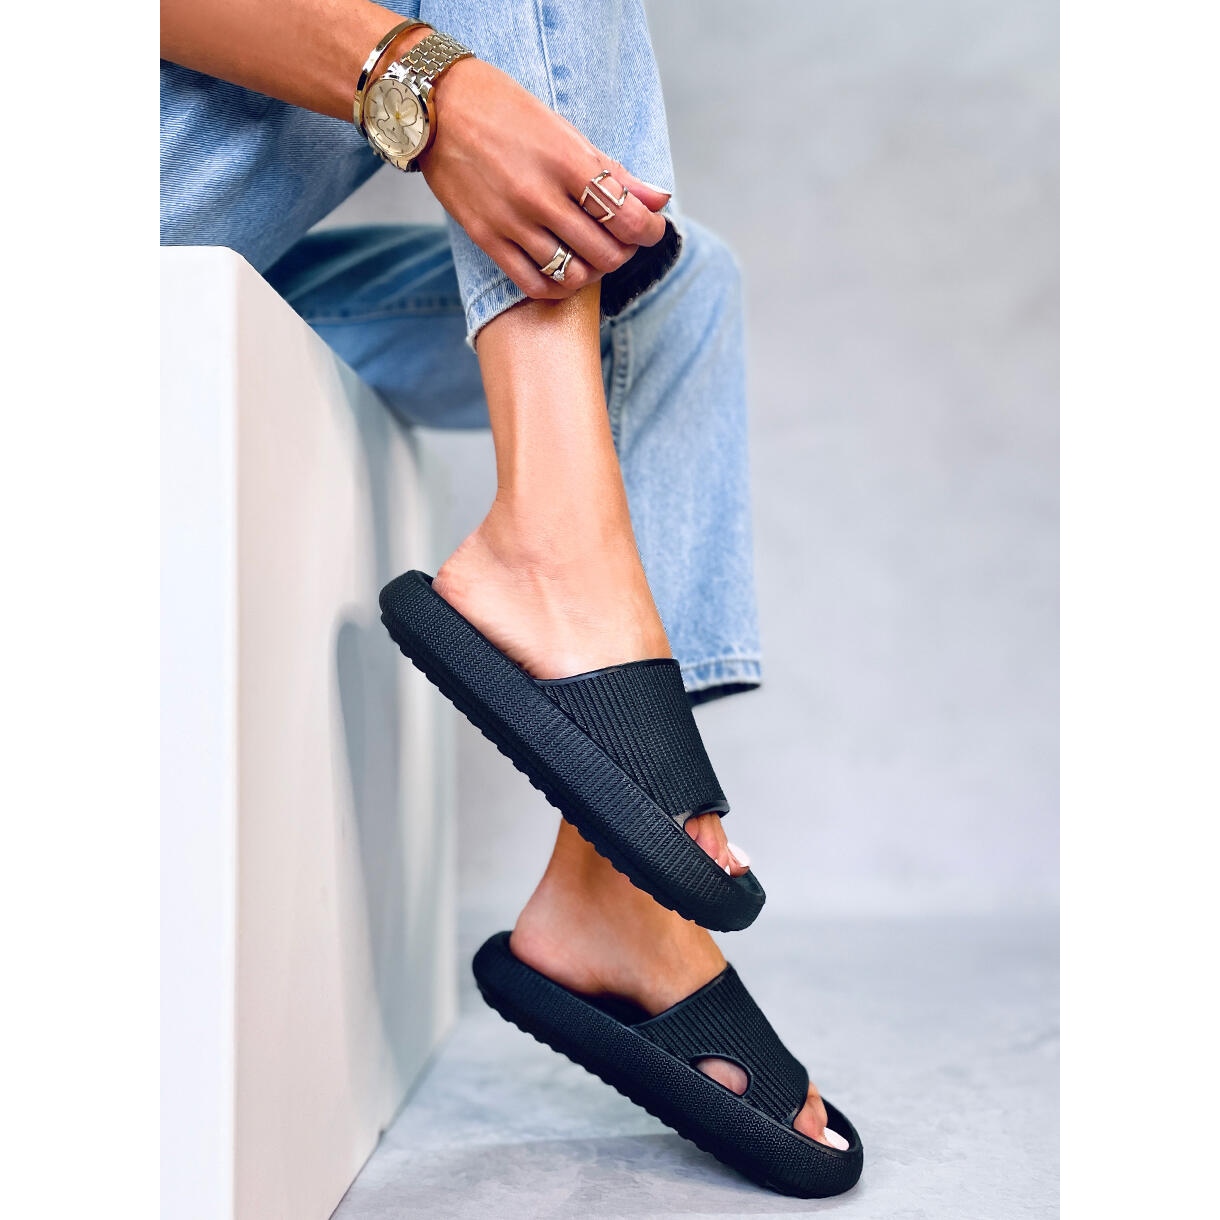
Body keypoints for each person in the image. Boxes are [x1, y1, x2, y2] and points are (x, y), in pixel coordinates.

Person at [161, 0, 861, 1195]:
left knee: (671, 283)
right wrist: (425, 80)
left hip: (222, 237)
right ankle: (549, 550)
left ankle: (609, 884)